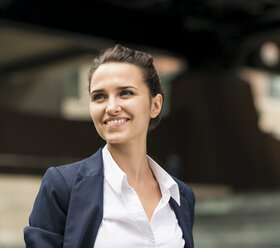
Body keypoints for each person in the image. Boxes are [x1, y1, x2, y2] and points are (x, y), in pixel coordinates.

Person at [24, 44, 195, 248]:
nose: (111, 107)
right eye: (99, 96)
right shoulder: (62, 186)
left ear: (155, 105)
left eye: (125, 93)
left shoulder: (180, 195)